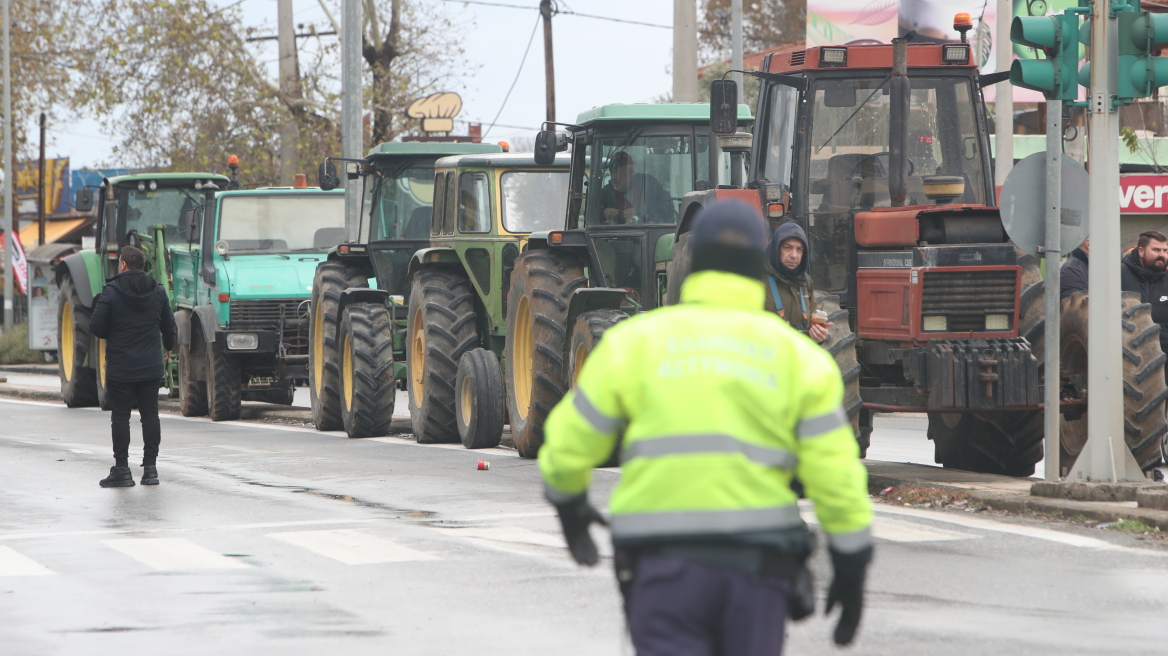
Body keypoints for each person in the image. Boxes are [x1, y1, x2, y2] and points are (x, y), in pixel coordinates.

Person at [538, 200, 874, 656]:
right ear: (761, 260)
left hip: (660, 564)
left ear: (695, 261)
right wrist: (850, 561)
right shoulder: (798, 359)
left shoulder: (633, 344)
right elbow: (836, 474)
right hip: (758, 568)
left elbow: (568, 443)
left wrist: (570, 505)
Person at [90, 245, 177, 488]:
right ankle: (150, 470)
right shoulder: (158, 291)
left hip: (121, 366)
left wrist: (114, 331)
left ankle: (122, 470)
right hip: (150, 366)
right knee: (150, 415)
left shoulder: (111, 291)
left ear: (124, 264)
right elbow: (169, 326)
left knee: (121, 417)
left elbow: (96, 327)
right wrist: (169, 346)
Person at [765, 222, 831, 343]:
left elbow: (811, 324)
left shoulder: (806, 282)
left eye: (799, 249)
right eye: (787, 248)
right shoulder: (756, 280)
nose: (794, 255)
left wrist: (818, 336)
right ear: (776, 249)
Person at [1121, 230, 1168, 354]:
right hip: (1129, 356)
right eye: (1156, 250)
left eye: (1164, 250)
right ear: (1141, 251)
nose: (1162, 255)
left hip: (1164, 355)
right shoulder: (1119, 275)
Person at [598, 151, 674, 225]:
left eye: (616, 173)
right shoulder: (606, 193)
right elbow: (591, 213)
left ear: (630, 172)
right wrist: (603, 213)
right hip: (616, 236)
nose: (613, 178)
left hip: (649, 234)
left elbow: (667, 210)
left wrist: (639, 213)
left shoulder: (650, 186)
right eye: (611, 173)